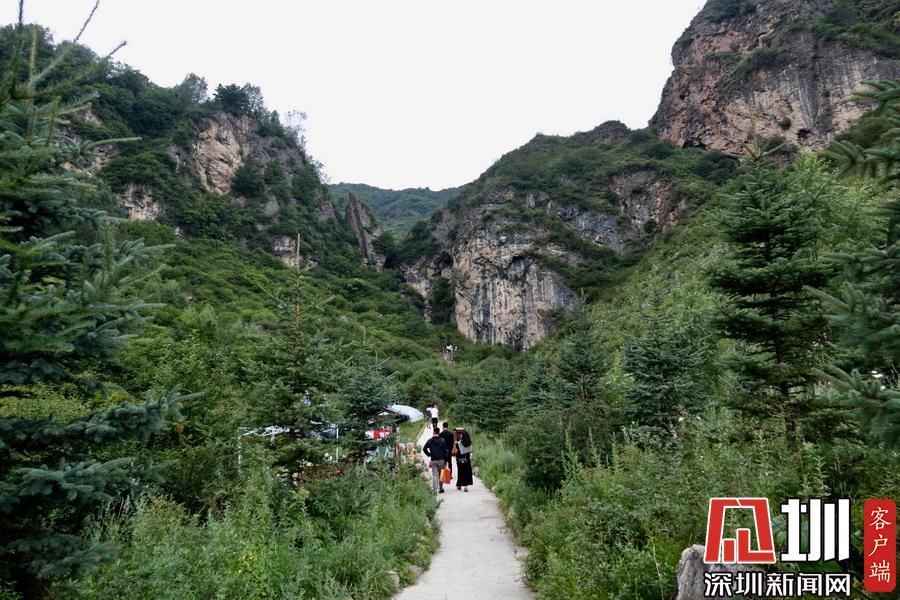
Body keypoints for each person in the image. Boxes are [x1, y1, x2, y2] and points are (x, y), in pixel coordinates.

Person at [423, 427, 449, 493]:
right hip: (441, 460)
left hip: (433, 460)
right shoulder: (443, 440)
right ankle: (441, 488)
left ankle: (435, 490)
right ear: (439, 432)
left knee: (435, 475)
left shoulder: (429, 440)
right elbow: (445, 451)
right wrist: (446, 461)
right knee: (441, 474)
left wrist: (429, 454)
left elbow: (424, 449)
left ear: (433, 432)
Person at [454, 428, 474, 492]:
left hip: (460, 459)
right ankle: (465, 486)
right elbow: (469, 452)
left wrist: (456, 442)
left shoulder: (459, 443)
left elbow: (456, 451)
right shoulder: (469, 443)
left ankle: (460, 485)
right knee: (466, 472)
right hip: (467, 459)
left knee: (460, 472)